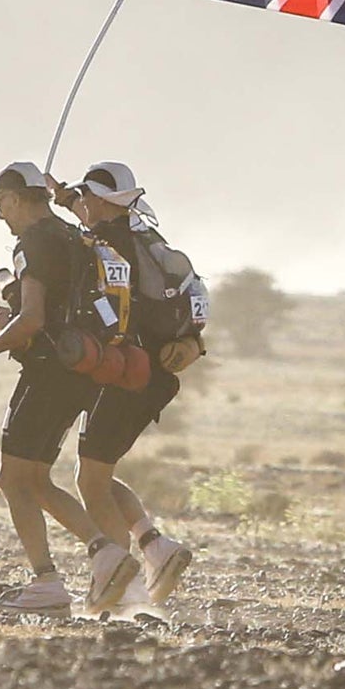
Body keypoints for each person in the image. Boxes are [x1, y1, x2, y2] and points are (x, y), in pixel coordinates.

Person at [0, 162, 139, 615]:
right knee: (36, 480)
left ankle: (52, 579)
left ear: (19, 199)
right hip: (82, 372)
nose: (1, 214)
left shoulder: (34, 243)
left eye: (1, 204)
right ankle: (105, 555)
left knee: (13, 479)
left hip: (47, 373)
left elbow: (34, 318)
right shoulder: (73, 235)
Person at [57, 162, 193, 606]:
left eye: (86, 196)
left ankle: (121, 588)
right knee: (98, 472)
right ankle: (155, 547)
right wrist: (64, 199)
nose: (83, 203)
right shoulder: (143, 237)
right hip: (152, 376)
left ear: (100, 200)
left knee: (91, 481)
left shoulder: (101, 247)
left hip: (123, 373)